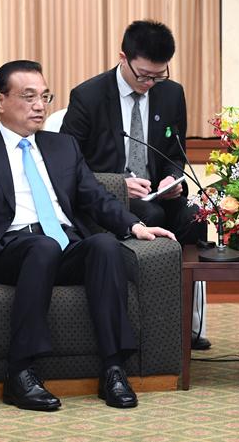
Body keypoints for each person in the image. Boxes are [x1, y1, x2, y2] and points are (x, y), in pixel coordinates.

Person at [0, 60, 176, 411]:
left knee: (105, 245)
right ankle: (20, 372)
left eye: (45, 97)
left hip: (62, 245)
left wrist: (134, 226)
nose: (39, 106)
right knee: (41, 247)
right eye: (28, 96)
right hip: (7, 250)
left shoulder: (63, 146)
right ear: (0, 100)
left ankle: (113, 369)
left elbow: (95, 196)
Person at [60, 20, 211, 350]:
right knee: (151, 214)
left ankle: (187, 323)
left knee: (195, 217)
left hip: (159, 194)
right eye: (143, 75)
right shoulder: (88, 96)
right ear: (123, 58)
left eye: (158, 76)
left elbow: (175, 151)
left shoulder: (172, 94)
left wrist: (172, 177)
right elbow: (65, 164)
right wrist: (118, 185)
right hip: (108, 200)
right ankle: (153, 328)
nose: (150, 83)